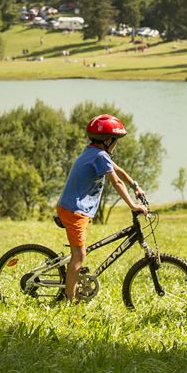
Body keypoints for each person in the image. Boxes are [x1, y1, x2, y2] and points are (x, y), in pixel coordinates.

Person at [56, 113, 147, 301]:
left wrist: (136, 186)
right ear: (107, 141)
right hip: (75, 212)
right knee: (79, 257)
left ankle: (72, 284)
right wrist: (132, 205)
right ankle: (69, 300)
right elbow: (116, 182)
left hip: (73, 208)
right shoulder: (99, 156)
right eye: (116, 140)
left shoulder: (95, 152)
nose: (116, 144)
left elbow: (119, 171)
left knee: (78, 253)